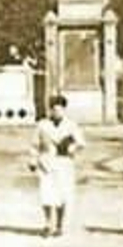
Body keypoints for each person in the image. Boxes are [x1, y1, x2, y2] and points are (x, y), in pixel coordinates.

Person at [31, 94, 85, 238]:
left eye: (59, 110)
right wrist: (33, 160)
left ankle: (60, 225)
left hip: (64, 163)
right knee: (47, 194)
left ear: (64, 110)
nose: (56, 112)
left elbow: (81, 143)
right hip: (47, 162)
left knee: (62, 195)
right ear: (50, 110)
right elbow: (34, 145)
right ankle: (49, 224)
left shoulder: (71, 125)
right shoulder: (42, 125)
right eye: (54, 110)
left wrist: (72, 148)